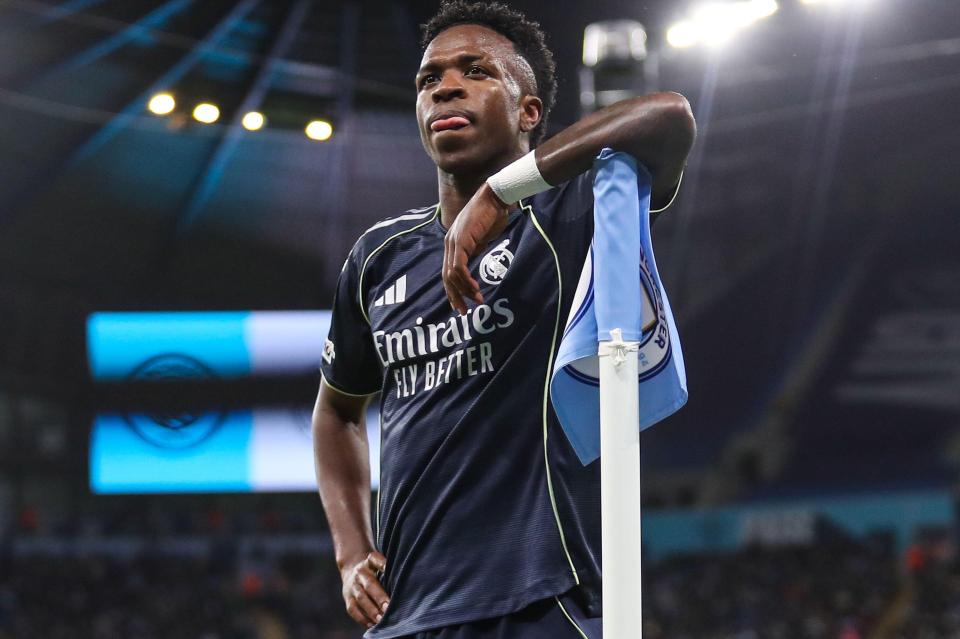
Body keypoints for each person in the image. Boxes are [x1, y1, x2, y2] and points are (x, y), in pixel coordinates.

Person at [312, 2, 695, 637]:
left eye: (476, 71)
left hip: (541, 603)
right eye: (428, 79)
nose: (445, 87)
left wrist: (501, 191)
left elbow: (667, 117)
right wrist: (351, 552)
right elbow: (336, 413)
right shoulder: (377, 258)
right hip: (406, 615)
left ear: (529, 112)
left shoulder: (573, 214)